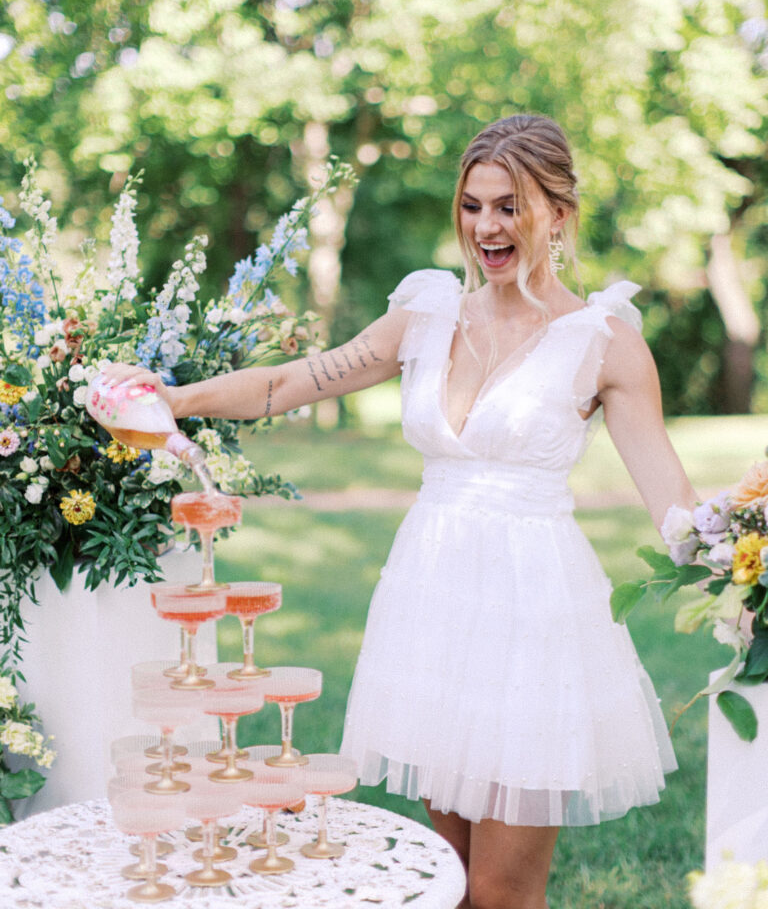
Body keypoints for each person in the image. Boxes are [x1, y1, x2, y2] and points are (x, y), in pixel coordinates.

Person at [105, 114, 697, 909]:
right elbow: (293, 382)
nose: (486, 227)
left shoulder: (604, 341)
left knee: (498, 894)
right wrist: (172, 398)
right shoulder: (428, 314)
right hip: (433, 602)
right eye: (472, 205)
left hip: (533, 614)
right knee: (446, 880)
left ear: (558, 213)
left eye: (509, 206)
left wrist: (742, 552)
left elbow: (674, 507)